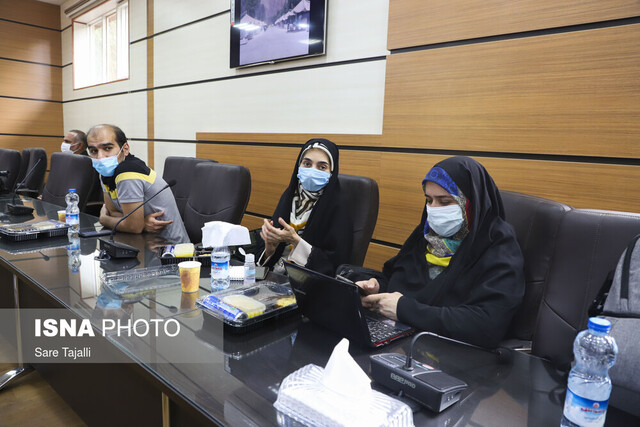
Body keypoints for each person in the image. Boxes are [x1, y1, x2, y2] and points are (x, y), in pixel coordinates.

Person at [356, 156, 524, 348]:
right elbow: (401, 279)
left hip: (455, 353)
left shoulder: (497, 244)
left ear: (470, 203)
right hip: (405, 340)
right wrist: (377, 288)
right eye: (429, 200)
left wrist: (405, 310)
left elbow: (486, 324)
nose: (433, 210)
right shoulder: (427, 235)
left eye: (445, 202)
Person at [258, 138, 353, 276]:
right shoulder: (289, 196)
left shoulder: (339, 206)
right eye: (307, 164)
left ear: (332, 171)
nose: (312, 171)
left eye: (322, 167)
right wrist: (269, 250)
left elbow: (335, 266)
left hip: (309, 282)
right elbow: (264, 264)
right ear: (299, 165)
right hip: (275, 276)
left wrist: (296, 241)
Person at [86, 124, 189, 243]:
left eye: (108, 148)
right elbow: (113, 212)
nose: (100, 157)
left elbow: (133, 226)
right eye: (94, 151)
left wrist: (104, 219)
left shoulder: (128, 173)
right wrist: (139, 223)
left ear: (125, 149)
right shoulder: (106, 172)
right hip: (139, 240)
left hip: (169, 247)